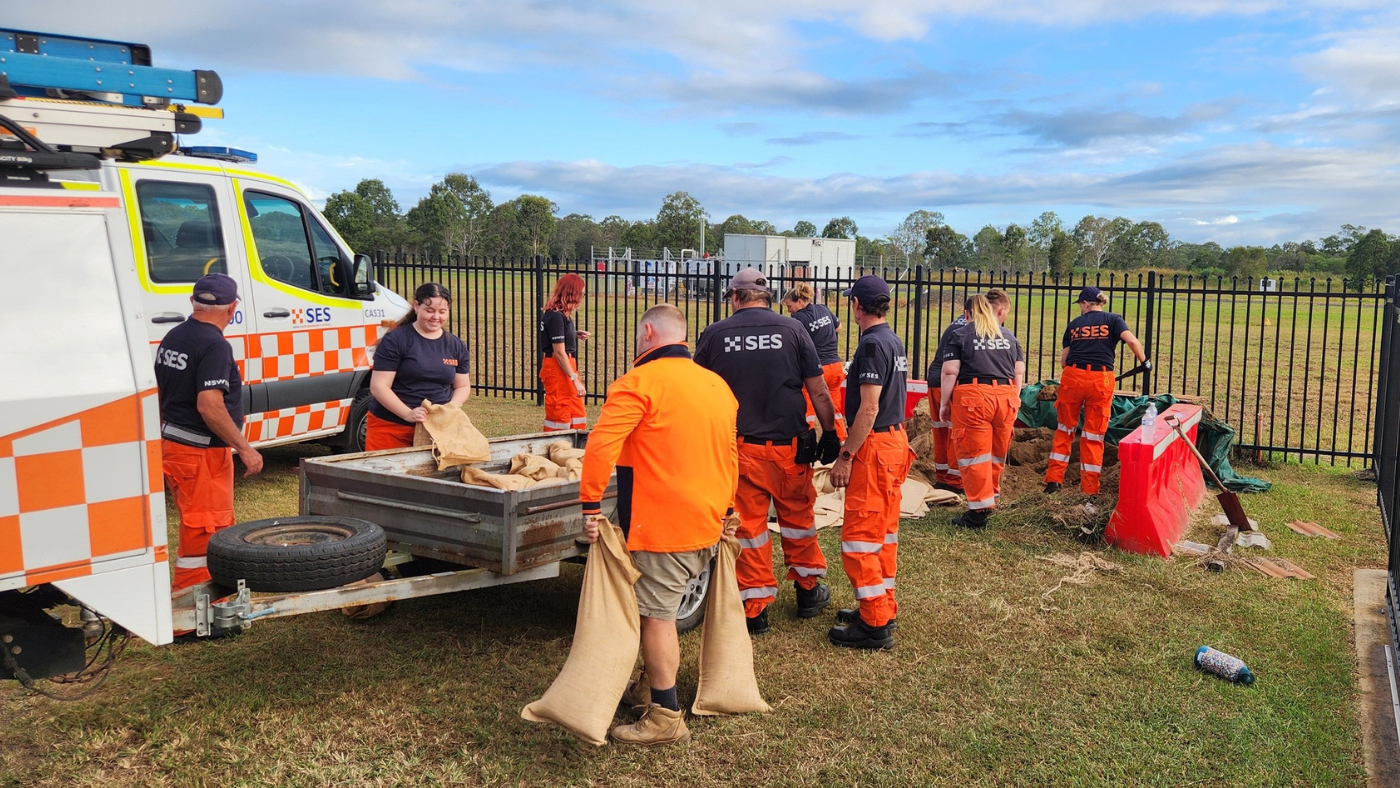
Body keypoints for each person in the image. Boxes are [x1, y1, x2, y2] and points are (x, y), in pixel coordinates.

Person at [579, 304, 739, 747]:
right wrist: (727, 510)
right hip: (706, 519)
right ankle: (649, 685)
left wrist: (591, 506)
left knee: (657, 617)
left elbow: (600, 447)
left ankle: (665, 716)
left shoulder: (638, 382)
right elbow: (729, 455)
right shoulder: (716, 385)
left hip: (662, 526)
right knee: (659, 609)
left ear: (648, 332)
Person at [696, 269, 842, 635]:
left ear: (734, 297)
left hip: (740, 448)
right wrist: (830, 434)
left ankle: (754, 606)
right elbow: (819, 390)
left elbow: (696, 391)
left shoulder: (715, 335)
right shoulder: (793, 331)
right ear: (770, 296)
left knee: (749, 526)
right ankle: (809, 591)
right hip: (790, 448)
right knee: (798, 518)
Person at [154, 273, 264, 595]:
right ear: (233, 308)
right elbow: (210, 405)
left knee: (203, 526)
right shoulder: (215, 345)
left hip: (175, 447)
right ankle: (192, 610)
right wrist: (245, 448)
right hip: (200, 454)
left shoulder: (174, 336)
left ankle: (205, 599)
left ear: (193, 302)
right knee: (205, 531)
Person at [828, 275, 913, 651]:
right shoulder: (891, 340)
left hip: (875, 447)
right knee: (883, 533)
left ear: (857, 306)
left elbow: (870, 406)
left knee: (859, 538)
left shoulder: (872, 345)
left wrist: (846, 455)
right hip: (894, 443)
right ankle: (880, 606)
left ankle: (875, 624)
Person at [1044, 286, 1148, 496]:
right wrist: (1145, 362)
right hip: (1101, 380)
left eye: (1080, 304)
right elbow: (1131, 340)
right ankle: (1090, 489)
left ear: (1085, 303)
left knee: (1065, 430)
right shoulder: (1114, 320)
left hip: (1073, 378)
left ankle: (1054, 481)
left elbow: (1064, 361)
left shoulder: (1074, 324)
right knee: (1093, 435)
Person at [938, 289, 1026, 529]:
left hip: (974, 397)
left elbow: (949, 371)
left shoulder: (960, 334)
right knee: (996, 453)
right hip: (1006, 396)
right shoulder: (1009, 336)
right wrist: (1014, 400)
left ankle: (978, 512)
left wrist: (945, 403)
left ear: (969, 312)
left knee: (974, 455)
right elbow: (1019, 372)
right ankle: (991, 498)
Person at [366, 283, 472, 451]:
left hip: (437, 429)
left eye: (442, 312)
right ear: (416, 306)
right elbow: (379, 386)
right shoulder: (396, 340)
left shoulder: (456, 345)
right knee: (387, 476)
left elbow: (463, 385)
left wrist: (451, 407)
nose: (436, 317)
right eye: (429, 311)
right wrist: (408, 414)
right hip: (391, 427)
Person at [781, 283, 847, 441]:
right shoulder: (823, 309)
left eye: (790, 306)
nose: (789, 310)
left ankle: (807, 441)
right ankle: (841, 441)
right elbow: (839, 327)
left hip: (817, 371)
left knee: (808, 408)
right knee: (835, 408)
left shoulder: (798, 319)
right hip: (836, 367)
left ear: (799, 302)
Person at [926, 299, 971, 493]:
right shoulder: (969, 331)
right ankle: (955, 481)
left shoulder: (954, 324)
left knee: (940, 430)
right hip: (949, 385)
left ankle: (942, 477)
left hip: (934, 380)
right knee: (955, 432)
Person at [538, 273, 591, 432]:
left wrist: (573, 334)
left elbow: (556, 338)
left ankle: (575, 444)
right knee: (560, 411)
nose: (582, 297)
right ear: (572, 293)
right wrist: (574, 379)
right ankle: (556, 445)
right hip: (558, 367)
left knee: (575, 409)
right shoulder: (556, 316)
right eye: (581, 293)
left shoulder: (561, 314)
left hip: (565, 366)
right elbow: (559, 352)